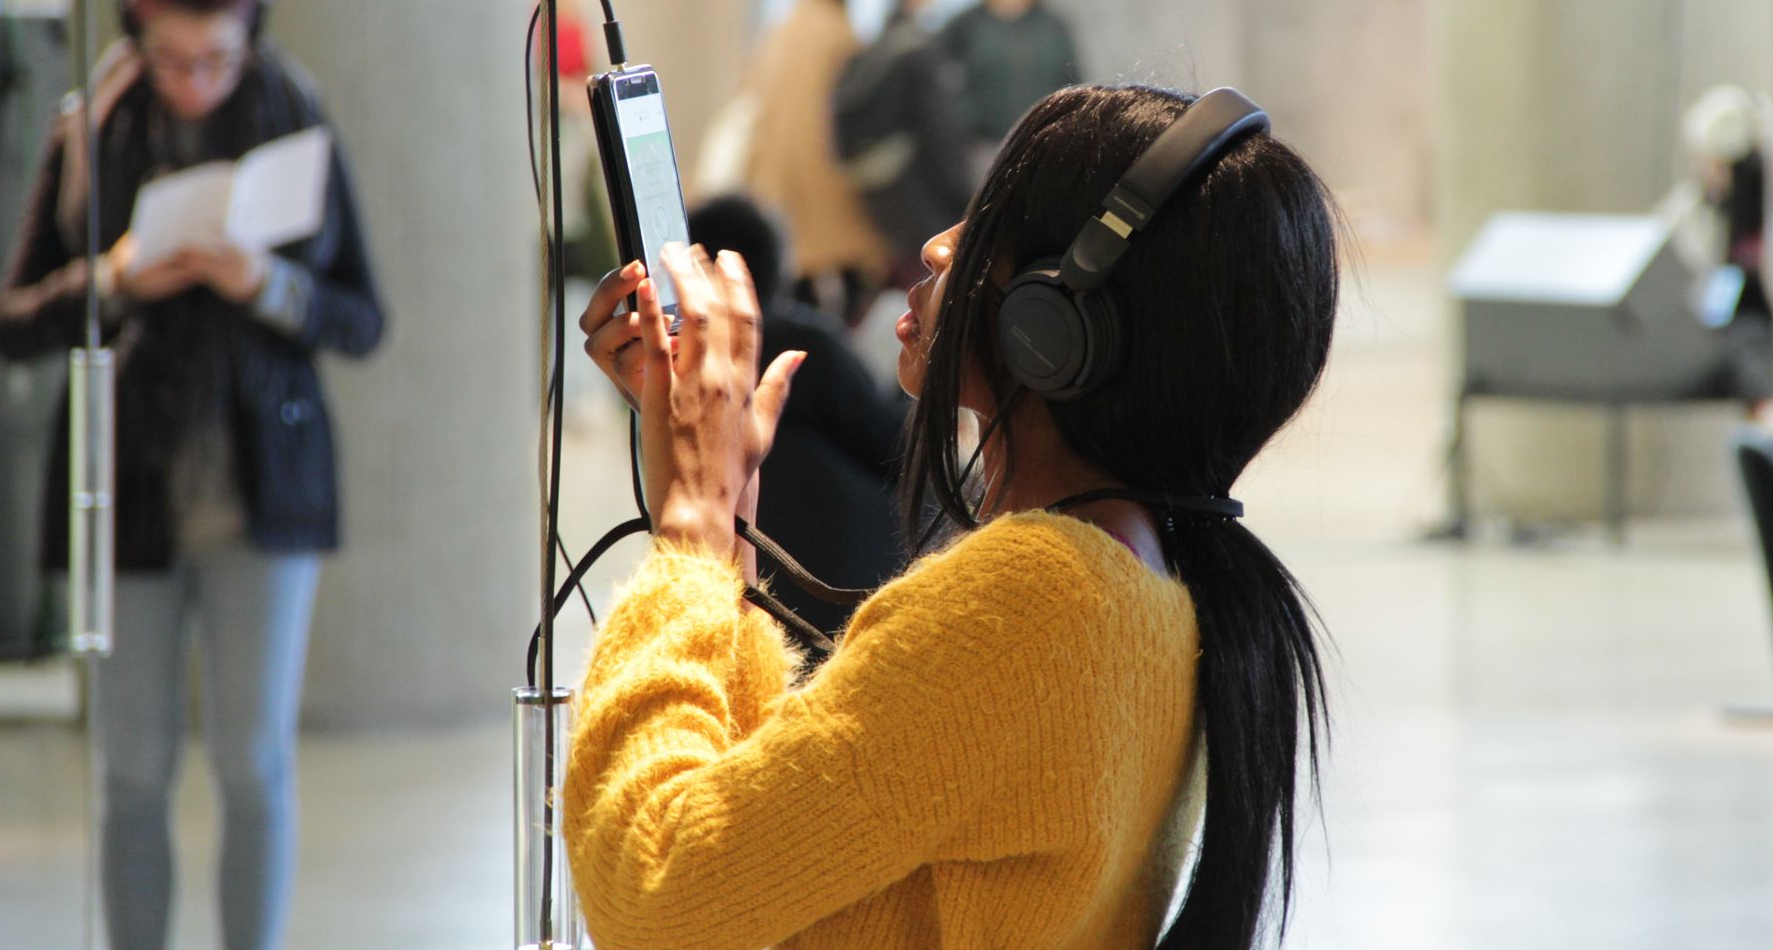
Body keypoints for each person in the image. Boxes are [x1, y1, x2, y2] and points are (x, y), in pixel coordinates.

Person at [571, 83, 1339, 949]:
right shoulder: (1132, 586)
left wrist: (690, 528)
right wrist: (726, 521)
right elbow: (770, 849)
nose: (938, 246)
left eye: (989, 224)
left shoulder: (1024, 607)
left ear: (1057, 320)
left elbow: (652, 895)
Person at [0, 0, 384, 950]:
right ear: (138, 36)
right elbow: (14, 322)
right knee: (131, 770)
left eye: (216, 57)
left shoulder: (293, 116)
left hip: (267, 493)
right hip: (124, 490)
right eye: (171, 59)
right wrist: (117, 277)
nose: (195, 81)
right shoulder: (94, 127)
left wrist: (265, 283)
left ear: (248, 35)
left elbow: (361, 318)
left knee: (253, 762)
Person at [685, 194, 909, 637]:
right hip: (850, 587)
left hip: (743, 597)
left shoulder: (684, 369)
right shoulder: (806, 348)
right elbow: (895, 451)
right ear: (777, 265)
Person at [742, 0, 892, 321]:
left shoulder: (782, 27)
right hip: (823, 167)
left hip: (779, 169)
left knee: (797, 268)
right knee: (848, 263)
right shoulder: (838, 30)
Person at [1658, 84, 1773, 406]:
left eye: (1724, 166)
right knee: (1747, 349)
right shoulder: (1688, 215)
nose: (1713, 175)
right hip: (1729, 341)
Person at [832, 0, 977, 269]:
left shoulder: (879, 45)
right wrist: (966, 199)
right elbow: (939, 133)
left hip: (884, 196)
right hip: (920, 198)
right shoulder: (919, 52)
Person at [938, 0, 1080, 149]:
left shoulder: (1053, 26)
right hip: (981, 149)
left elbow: (1074, 84)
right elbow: (938, 83)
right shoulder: (967, 25)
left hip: (1043, 146)